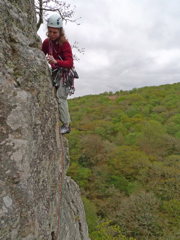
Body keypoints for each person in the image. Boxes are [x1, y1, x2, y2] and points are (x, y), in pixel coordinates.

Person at [42, 14, 73, 134]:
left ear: (60, 31)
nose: (52, 34)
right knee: (53, 97)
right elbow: (40, 54)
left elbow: (69, 63)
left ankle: (66, 124)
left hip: (65, 74)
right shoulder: (47, 43)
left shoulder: (64, 44)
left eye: (55, 32)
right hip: (55, 72)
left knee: (60, 97)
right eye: (50, 31)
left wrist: (56, 61)